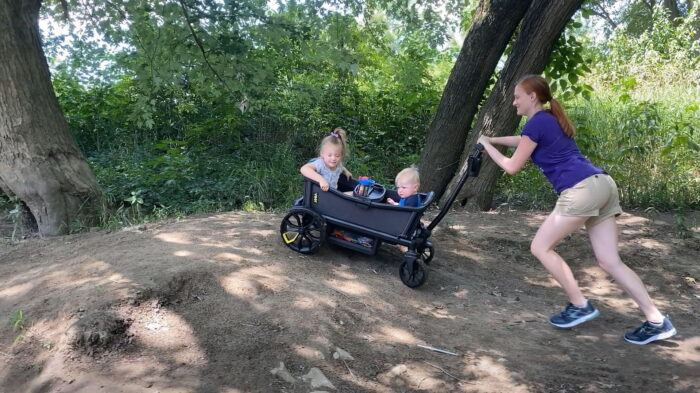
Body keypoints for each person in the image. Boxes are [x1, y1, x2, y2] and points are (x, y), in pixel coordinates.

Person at [476, 74, 676, 345]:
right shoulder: (547, 119)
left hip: (580, 190)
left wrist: (487, 145)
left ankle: (580, 304)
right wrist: (494, 138)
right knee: (609, 261)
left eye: (517, 97)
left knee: (540, 247)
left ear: (532, 96)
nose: (514, 103)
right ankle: (657, 320)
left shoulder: (537, 122)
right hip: (602, 185)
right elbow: (521, 140)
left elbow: (512, 167)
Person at [300, 128, 356, 193]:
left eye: (337, 156)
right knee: (352, 195)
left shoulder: (338, 165)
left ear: (341, 155)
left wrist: (346, 171)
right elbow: (304, 169)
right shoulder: (320, 164)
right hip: (320, 195)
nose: (333, 158)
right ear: (322, 154)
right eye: (329, 155)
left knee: (355, 194)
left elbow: (341, 167)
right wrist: (321, 180)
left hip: (333, 194)